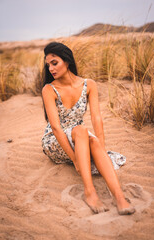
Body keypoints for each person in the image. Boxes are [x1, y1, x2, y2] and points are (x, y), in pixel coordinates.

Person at [41, 42, 135, 215]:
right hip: (55, 141)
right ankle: (89, 192)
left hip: (80, 137)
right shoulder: (49, 89)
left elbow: (96, 118)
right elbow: (55, 127)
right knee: (82, 130)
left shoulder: (88, 84)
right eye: (48, 65)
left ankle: (119, 197)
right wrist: (74, 159)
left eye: (54, 63)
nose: (51, 69)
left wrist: (102, 149)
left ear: (67, 61)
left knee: (92, 139)